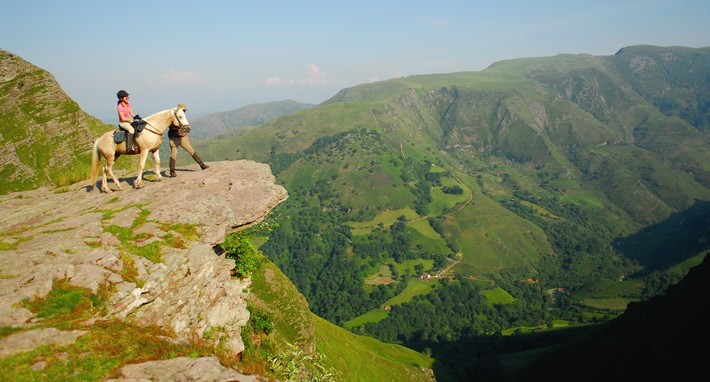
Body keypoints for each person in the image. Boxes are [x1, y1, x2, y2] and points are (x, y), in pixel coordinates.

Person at [168, 103, 209, 177]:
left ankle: (202, 165)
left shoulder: (181, 116)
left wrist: (186, 135)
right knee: (173, 154)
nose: (184, 111)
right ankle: (172, 172)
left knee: (191, 151)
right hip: (174, 138)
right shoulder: (174, 117)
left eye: (184, 110)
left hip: (182, 137)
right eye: (184, 110)